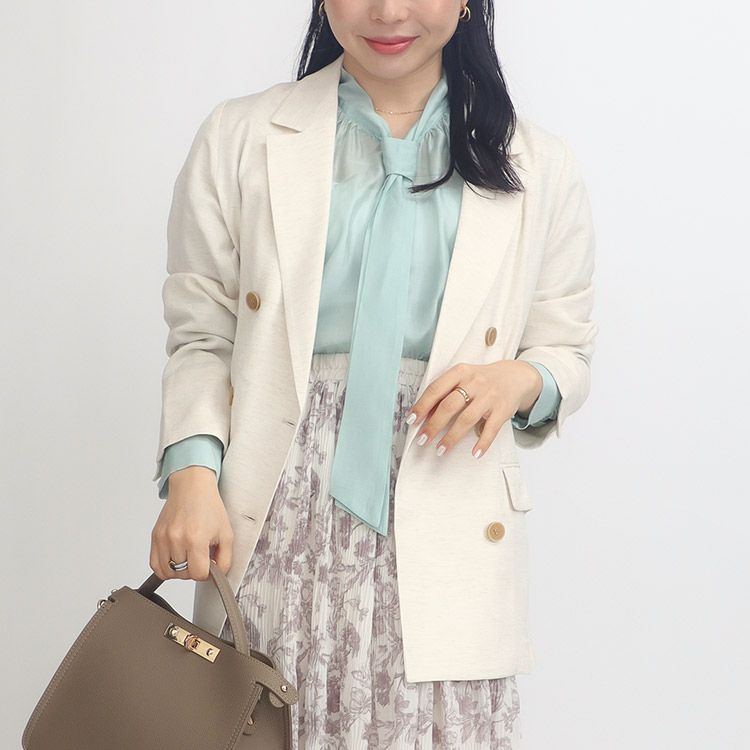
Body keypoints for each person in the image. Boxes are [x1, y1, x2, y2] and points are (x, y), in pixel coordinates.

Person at [149, 1, 597, 747]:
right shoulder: (242, 135)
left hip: (446, 489)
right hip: (277, 504)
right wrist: (192, 476)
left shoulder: (538, 163)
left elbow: (567, 349)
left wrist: (516, 381)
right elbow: (202, 331)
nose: (389, 12)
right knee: (263, 723)